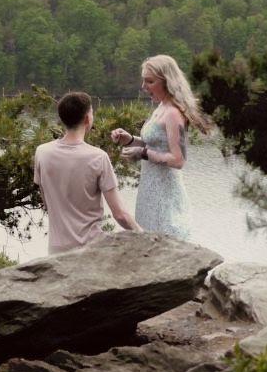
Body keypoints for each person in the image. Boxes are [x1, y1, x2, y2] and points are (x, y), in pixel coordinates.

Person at [111, 55, 212, 239]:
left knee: (164, 239)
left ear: (167, 81)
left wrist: (142, 153)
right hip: (150, 190)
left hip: (165, 194)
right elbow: (154, 145)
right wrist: (129, 139)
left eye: (150, 81)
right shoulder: (161, 107)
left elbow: (178, 160)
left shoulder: (173, 113)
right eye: (143, 81)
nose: (144, 86)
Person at [34, 91, 141, 254]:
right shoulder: (98, 157)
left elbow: (46, 201)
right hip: (90, 251)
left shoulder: (42, 152)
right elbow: (120, 215)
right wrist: (144, 235)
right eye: (92, 112)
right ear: (87, 119)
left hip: (56, 251)